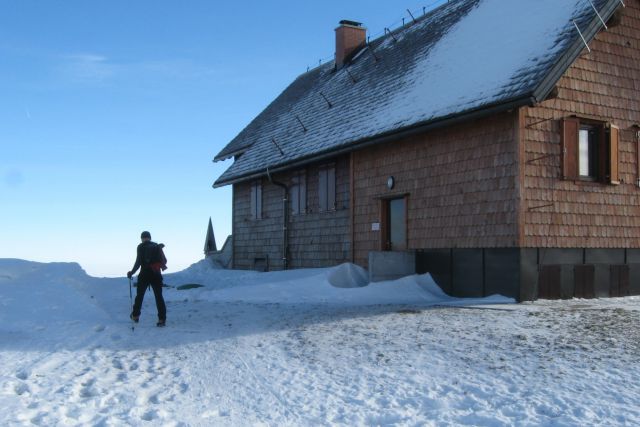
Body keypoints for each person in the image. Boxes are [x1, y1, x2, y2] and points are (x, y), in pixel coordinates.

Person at [127, 231, 167, 327]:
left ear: (142, 238)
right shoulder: (156, 246)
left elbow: (138, 262)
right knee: (159, 297)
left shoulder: (141, 246)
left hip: (144, 274)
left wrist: (131, 272)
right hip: (156, 274)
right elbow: (163, 260)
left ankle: (135, 316)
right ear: (150, 237)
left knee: (139, 296)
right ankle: (162, 319)